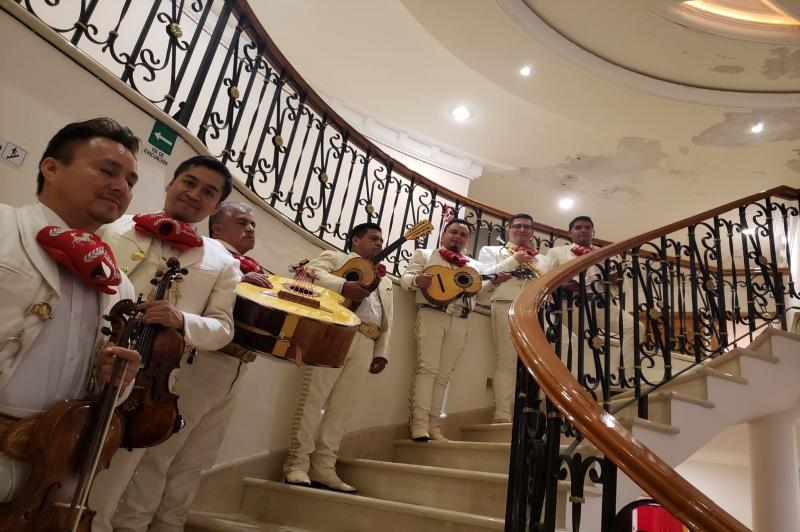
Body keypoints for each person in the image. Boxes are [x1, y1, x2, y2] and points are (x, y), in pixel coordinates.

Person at [91, 155, 242, 532]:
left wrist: (182, 320)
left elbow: (223, 329)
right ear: (170, 182)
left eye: (207, 192)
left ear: (215, 206)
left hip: (144, 385)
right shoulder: (115, 226)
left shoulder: (222, 260)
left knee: (110, 487)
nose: (193, 195)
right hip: (87, 356)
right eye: (188, 183)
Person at [0, 117, 141, 502]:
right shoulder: (4, 226)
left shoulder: (118, 283)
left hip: (52, 472)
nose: (121, 187)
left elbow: (101, 388)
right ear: (51, 168)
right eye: (107, 170)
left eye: (130, 181)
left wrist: (117, 379)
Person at [283, 222, 393, 493]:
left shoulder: (385, 279)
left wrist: (382, 352)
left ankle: (324, 467)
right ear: (355, 240)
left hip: (366, 339)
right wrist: (344, 284)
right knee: (314, 397)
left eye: (381, 240)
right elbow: (307, 273)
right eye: (372, 238)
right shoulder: (336, 257)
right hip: (332, 332)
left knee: (343, 407)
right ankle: (296, 464)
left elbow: (388, 319)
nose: (379, 243)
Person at [401, 218, 497, 441]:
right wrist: (418, 280)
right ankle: (419, 424)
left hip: (461, 319)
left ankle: (434, 426)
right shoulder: (425, 255)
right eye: (453, 232)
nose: (458, 237)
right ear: (444, 233)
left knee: (444, 375)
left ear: (468, 239)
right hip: (432, 313)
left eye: (463, 234)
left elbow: (480, 293)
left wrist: (495, 283)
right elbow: (406, 278)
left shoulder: (475, 266)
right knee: (427, 369)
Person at [478, 213, 552, 423]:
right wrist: (514, 260)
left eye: (527, 227)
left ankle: (532, 411)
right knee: (507, 362)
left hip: (536, 310)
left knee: (539, 362)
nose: (522, 230)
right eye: (517, 226)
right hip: (505, 304)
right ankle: (502, 414)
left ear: (532, 232)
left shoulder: (544, 260)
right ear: (508, 229)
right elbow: (485, 274)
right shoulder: (491, 250)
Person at [547, 216, 636, 371]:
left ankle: (625, 375)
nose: (583, 230)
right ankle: (569, 386)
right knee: (570, 343)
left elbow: (623, 287)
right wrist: (563, 285)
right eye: (578, 227)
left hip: (600, 304)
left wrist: (616, 279)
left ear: (593, 232)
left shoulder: (606, 254)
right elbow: (545, 278)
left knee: (634, 327)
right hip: (570, 305)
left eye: (588, 227)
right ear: (570, 233)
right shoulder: (556, 252)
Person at [208, 201, 272, 289]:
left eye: (253, 225)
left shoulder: (246, 264)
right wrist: (240, 280)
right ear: (218, 229)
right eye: (242, 223)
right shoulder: (205, 251)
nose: (251, 229)